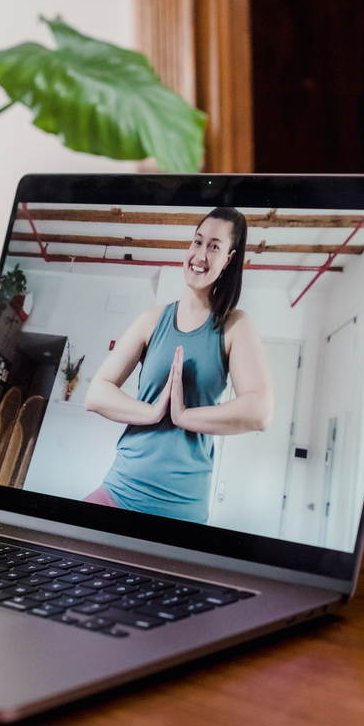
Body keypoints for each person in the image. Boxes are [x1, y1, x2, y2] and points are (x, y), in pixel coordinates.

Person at [83, 206, 273, 523]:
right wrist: (154, 411)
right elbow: (96, 394)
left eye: (214, 246)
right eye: (197, 242)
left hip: (181, 510)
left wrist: (183, 415)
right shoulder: (152, 319)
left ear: (228, 260)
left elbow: (260, 411)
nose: (200, 254)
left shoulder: (234, 325)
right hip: (118, 491)